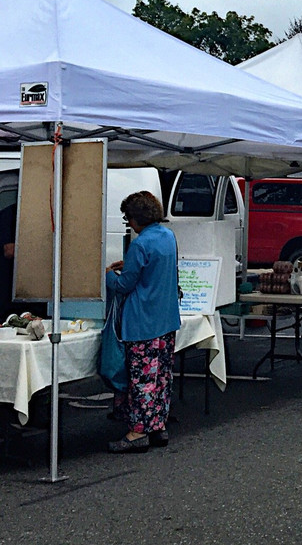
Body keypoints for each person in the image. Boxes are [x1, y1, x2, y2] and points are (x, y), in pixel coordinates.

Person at [105, 191, 181, 453]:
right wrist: (131, 265)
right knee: (161, 377)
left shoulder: (139, 244)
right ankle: (157, 426)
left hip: (142, 322)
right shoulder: (168, 236)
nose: (129, 224)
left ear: (136, 218)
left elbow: (125, 285)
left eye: (128, 219)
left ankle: (137, 432)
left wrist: (107, 276)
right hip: (167, 318)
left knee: (141, 379)